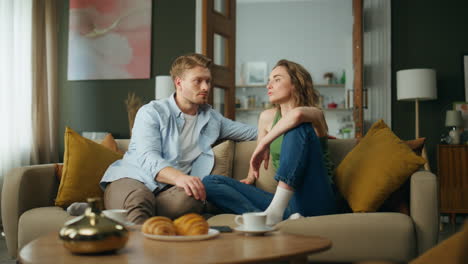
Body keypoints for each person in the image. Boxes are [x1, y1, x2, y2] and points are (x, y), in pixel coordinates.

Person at [100, 53, 257, 224]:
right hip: (132, 178)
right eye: (198, 81)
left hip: (168, 191)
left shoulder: (213, 119)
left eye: (208, 81)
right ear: (178, 82)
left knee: (194, 196)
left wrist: (284, 118)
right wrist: (180, 178)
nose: (205, 87)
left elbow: (253, 133)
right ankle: (144, 240)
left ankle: (147, 220)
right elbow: (148, 157)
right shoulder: (152, 112)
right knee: (140, 199)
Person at [203, 59, 337, 226]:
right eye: (268, 80)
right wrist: (250, 178)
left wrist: (263, 143)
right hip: (285, 204)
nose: (269, 85)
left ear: (296, 83)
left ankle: (274, 213)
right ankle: (267, 217)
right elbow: (258, 163)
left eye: (277, 79)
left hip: (316, 198)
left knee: (296, 127)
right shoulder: (266, 117)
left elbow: (296, 116)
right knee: (209, 182)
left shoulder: (314, 115)